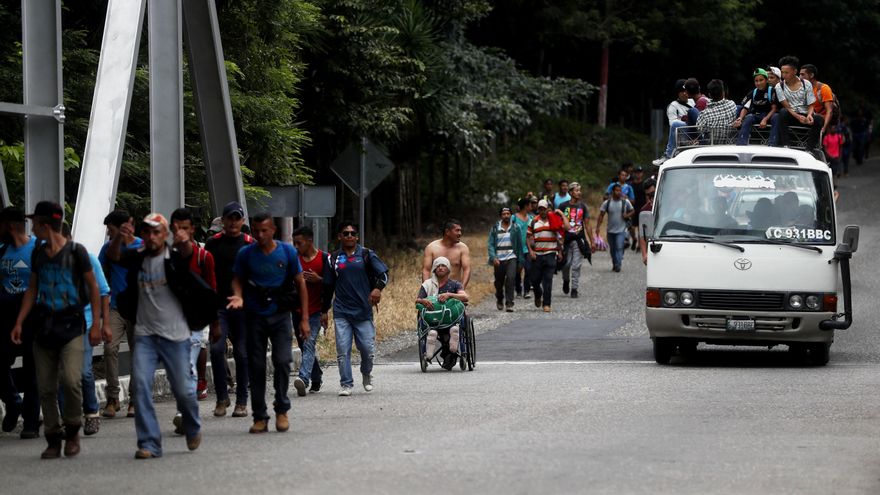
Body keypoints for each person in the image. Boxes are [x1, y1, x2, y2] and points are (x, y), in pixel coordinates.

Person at [106, 212, 208, 458]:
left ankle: (193, 426)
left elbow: (187, 257)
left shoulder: (173, 259)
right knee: (140, 385)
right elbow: (114, 257)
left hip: (176, 336)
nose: (151, 237)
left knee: (183, 390)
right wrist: (118, 239)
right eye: (147, 232)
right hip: (145, 335)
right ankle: (149, 443)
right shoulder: (137, 258)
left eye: (156, 232)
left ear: (165, 235)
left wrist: (183, 240)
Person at [10, 201, 102, 459]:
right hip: (43, 327)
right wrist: (19, 322)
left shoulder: (77, 252)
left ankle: (72, 430)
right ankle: (53, 437)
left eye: (35, 223)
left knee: (72, 380)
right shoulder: (38, 254)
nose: (32, 227)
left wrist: (96, 325)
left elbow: (93, 288)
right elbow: (32, 289)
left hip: (72, 326)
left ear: (45, 224)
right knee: (46, 387)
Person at [228, 213, 309, 433]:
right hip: (254, 316)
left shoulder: (287, 252)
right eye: (256, 231)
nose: (260, 235)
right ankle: (259, 415)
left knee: (282, 361)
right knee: (256, 366)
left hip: (280, 315)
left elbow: (300, 283)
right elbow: (237, 279)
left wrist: (303, 319)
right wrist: (238, 295)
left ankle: (281, 409)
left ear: (273, 229)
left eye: (265, 230)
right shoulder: (246, 254)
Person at [59, 223, 112, 437]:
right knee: (62, 373)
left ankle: (91, 412)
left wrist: (102, 324)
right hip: (57, 325)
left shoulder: (87, 259)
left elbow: (103, 292)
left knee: (83, 371)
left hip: (85, 322)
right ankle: (67, 419)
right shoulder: (47, 261)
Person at [324, 221, 389, 396]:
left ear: (357, 237)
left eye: (353, 233)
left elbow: (383, 274)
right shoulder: (333, 258)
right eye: (346, 233)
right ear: (340, 237)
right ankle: (346, 384)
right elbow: (328, 285)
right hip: (341, 311)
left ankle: (366, 373)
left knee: (367, 350)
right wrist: (324, 310)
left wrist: (377, 289)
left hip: (363, 311)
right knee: (342, 350)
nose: (350, 236)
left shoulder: (366, 254)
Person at [169, 208, 217, 434]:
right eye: (176, 228)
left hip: (197, 322)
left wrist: (215, 323)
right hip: (171, 322)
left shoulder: (203, 257)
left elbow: (212, 291)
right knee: (178, 369)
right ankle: (187, 410)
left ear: (192, 230)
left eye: (185, 228)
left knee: (188, 364)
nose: (181, 233)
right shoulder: (165, 257)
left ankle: (184, 413)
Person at [205, 201, 253, 418]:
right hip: (220, 306)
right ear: (222, 221)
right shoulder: (213, 244)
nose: (233, 222)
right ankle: (222, 397)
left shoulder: (250, 244)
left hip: (243, 308)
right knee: (216, 350)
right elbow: (207, 275)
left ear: (242, 221)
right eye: (229, 218)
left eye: (237, 218)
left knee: (242, 354)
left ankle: (241, 401)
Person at [0, 206, 41, 439]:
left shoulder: (37, 248)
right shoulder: (2, 251)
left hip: (33, 317)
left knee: (32, 370)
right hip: (5, 318)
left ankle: (31, 423)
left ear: (11, 225)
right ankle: (13, 401)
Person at [98, 209, 143, 419]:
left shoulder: (142, 246)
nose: (108, 234)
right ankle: (113, 398)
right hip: (115, 307)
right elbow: (99, 275)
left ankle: (135, 399)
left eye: (111, 229)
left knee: (138, 355)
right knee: (109, 348)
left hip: (139, 309)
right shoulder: (108, 248)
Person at [291, 225, 331, 396]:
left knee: (309, 343)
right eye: (294, 243)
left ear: (309, 241)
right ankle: (317, 376)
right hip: (297, 310)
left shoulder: (324, 258)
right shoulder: (294, 259)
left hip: (315, 310)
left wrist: (319, 279)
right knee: (304, 345)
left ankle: (303, 378)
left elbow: (331, 285)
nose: (296, 247)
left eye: (299, 243)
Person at [415, 257, 468, 370]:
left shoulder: (455, 284)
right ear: (434, 270)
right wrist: (424, 301)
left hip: (451, 319)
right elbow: (418, 300)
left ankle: (453, 340)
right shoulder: (427, 284)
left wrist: (450, 295)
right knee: (432, 330)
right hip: (432, 319)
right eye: (437, 266)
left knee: (455, 326)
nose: (440, 268)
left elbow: (465, 297)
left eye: (443, 265)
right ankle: (429, 347)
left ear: (448, 269)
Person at [775, 55, 823, 151]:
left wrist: (809, 115)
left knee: (818, 118)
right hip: (792, 114)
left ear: (795, 71)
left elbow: (811, 104)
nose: (784, 75)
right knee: (783, 112)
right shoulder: (779, 86)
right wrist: (798, 117)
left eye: (786, 73)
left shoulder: (806, 84)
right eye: (782, 72)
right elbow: (787, 107)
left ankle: (809, 149)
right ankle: (786, 145)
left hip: (805, 115)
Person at [527, 200, 564, 312]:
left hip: (550, 254)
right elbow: (528, 237)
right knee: (535, 280)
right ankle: (538, 294)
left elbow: (559, 237)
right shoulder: (534, 221)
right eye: (540, 209)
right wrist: (530, 251)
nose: (542, 211)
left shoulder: (553, 220)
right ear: (538, 210)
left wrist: (560, 251)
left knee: (548, 280)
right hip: (537, 255)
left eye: (544, 208)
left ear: (548, 209)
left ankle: (547, 304)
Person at [558, 183, 593, 298]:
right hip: (566, 240)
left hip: (578, 239)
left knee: (576, 265)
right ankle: (566, 280)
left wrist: (592, 241)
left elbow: (587, 225)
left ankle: (574, 289)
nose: (579, 192)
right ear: (571, 192)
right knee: (566, 264)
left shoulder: (583, 207)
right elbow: (558, 224)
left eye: (580, 190)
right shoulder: (563, 206)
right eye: (577, 190)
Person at [653, 79, 697, 166]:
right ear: (677, 93)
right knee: (675, 124)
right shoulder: (673, 106)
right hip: (683, 136)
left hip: (697, 131)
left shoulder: (693, 101)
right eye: (682, 91)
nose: (684, 93)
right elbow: (673, 126)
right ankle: (668, 155)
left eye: (685, 91)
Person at [487, 207, 523, 312]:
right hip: (498, 259)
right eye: (504, 214)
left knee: (511, 279)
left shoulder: (516, 228)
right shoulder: (495, 228)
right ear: (501, 216)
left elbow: (520, 246)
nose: (506, 216)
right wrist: (493, 257)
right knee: (499, 282)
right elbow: (490, 244)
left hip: (512, 258)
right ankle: (499, 298)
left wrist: (521, 261)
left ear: (511, 215)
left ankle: (509, 303)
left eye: (508, 214)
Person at [733, 68, 780, 146]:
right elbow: (745, 107)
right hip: (757, 115)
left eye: (761, 80)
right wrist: (740, 119)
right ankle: (741, 144)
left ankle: (772, 144)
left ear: (766, 80)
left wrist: (765, 119)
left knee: (776, 116)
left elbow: (774, 108)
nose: (758, 83)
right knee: (749, 117)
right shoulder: (753, 92)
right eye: (756, 81)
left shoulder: (771, 91)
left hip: (769, 116)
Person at [596, 184, 635, 272]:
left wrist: (627, 215)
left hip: (621, 230)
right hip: (610, 230)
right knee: (613, 249)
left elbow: (633, 211)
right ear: (612, 191)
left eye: (619, 190)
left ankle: (618, 264)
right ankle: (615, 262)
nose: (618, 192)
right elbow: (601, 215)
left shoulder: (625, 202)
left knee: (619, 246)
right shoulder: (607, 203)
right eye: (616, 190)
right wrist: (598, 227)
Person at [422, 219, 471, 288]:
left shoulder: (463, 248)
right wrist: (426, 289)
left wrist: (461, 289)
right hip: (435, 290)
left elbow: (467, 269)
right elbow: (426, 270)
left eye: (460, 230)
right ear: (447, 231)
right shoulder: (431, 248)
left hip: (454, 290)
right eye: (457, 230)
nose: (460, 233)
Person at [799, 64, 836, 136]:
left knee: (816, 118)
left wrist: (824, 128)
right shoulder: (802, 89)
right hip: (810, 117)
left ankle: (810, 147)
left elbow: (829, 111)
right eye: (799, 74)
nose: (800, 77)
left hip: (822, 120)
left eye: (803, 75)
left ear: (811, 75)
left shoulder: (824, 88)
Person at [512, 197, 534, 299]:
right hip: (516, 249)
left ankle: (527, 290)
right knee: (518, 270)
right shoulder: (514, 218)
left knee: (529, 269)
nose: (532, 206)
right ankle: (518, 289)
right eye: (530, 205)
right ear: (525, 206)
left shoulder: (531, 219)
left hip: (528, 248)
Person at [639, 180, 657, 265]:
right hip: (652, 248)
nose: (651, 198)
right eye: (648, 195)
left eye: (653, 194)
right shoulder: (644, 210)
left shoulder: (668, 206)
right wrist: (644, 254)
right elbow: (642, 234)